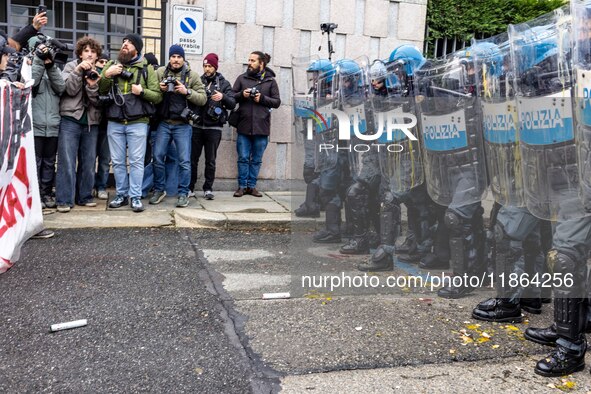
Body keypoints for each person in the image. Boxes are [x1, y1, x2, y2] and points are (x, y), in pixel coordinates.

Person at [99, 34, 162, 212]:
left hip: (138, 122)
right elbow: (101, 90)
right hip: (115, 121)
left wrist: (142, 92)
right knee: (118, 162)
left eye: (130, 43)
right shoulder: (112, 65)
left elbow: (157, 96)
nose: (125, 45)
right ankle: (121, 195)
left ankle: (135, 197)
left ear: (137, 49)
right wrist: (107, 75)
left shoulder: (146, 69)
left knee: (136, 161)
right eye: (124, 42)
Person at [150, 45, 206, 207]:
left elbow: (202, 99)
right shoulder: (160, 73)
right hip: (164, 123)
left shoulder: (192, 76)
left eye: (179, 57)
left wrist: (186, 91)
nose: (176, 60)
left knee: (184, 161)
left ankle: (183, 193)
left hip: (183, 125)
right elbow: (151, 94)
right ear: (169, 58)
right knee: (158, 157)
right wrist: (159, 89)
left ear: (183, 58)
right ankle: (159, 189)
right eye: (173, 56)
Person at [55, 36, 103, 212]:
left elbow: (99, 102)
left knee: (89, 161)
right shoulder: (70, 66)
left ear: (97, 56)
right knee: (67, 161)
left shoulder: (100, 70)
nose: (89, 54)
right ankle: (64, 200)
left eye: (93, 51)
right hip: (70, 119)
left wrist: (92, 85)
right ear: (80, 54)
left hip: (91, 121)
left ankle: (85, 196)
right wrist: (77, 72)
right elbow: (68, 89)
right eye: (86, 51)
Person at [232, 51, 281, 197]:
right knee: (243, 158)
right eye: (249, 60)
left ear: (261, 63)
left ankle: (251, 187)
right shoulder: (242, 78)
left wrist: (262, 98)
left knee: (256, 159)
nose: (249, 63)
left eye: (252, 60)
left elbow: (277, 102)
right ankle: (241, 186)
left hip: (262, 127)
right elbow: (231, 97)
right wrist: (242, 95)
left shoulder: (270, 81)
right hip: (244, 126)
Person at [189, 53, 235, 200]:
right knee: (192, 159)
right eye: (205, 66)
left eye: (210, 66)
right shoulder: (198, 81)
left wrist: (223, 97)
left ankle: (208, 188)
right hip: (196, 126)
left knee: (211, 160)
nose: (207, 69)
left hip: (214, 127)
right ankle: (190, 188)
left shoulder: (224, 83)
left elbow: (232, 103)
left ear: (215, 67)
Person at [28, 36, 65, 210]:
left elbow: (61, 87)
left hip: (52, 126)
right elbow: (31, 83)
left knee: (50, 162)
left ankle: (46, 193)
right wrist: (38, 59)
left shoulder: (54, 68)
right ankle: (34, 195)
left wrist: (50, 65)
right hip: (34, 125)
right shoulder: (28, 68)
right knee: (35, 162)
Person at [94, 52, 111, 200]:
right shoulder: (90, 75)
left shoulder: (110, 79)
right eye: (101, 61)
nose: (104, 64)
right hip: (92, 124)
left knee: (105, 160)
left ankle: (101, 187)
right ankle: (89, 185)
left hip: (107, 124)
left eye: (106, 62)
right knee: (89, 159)